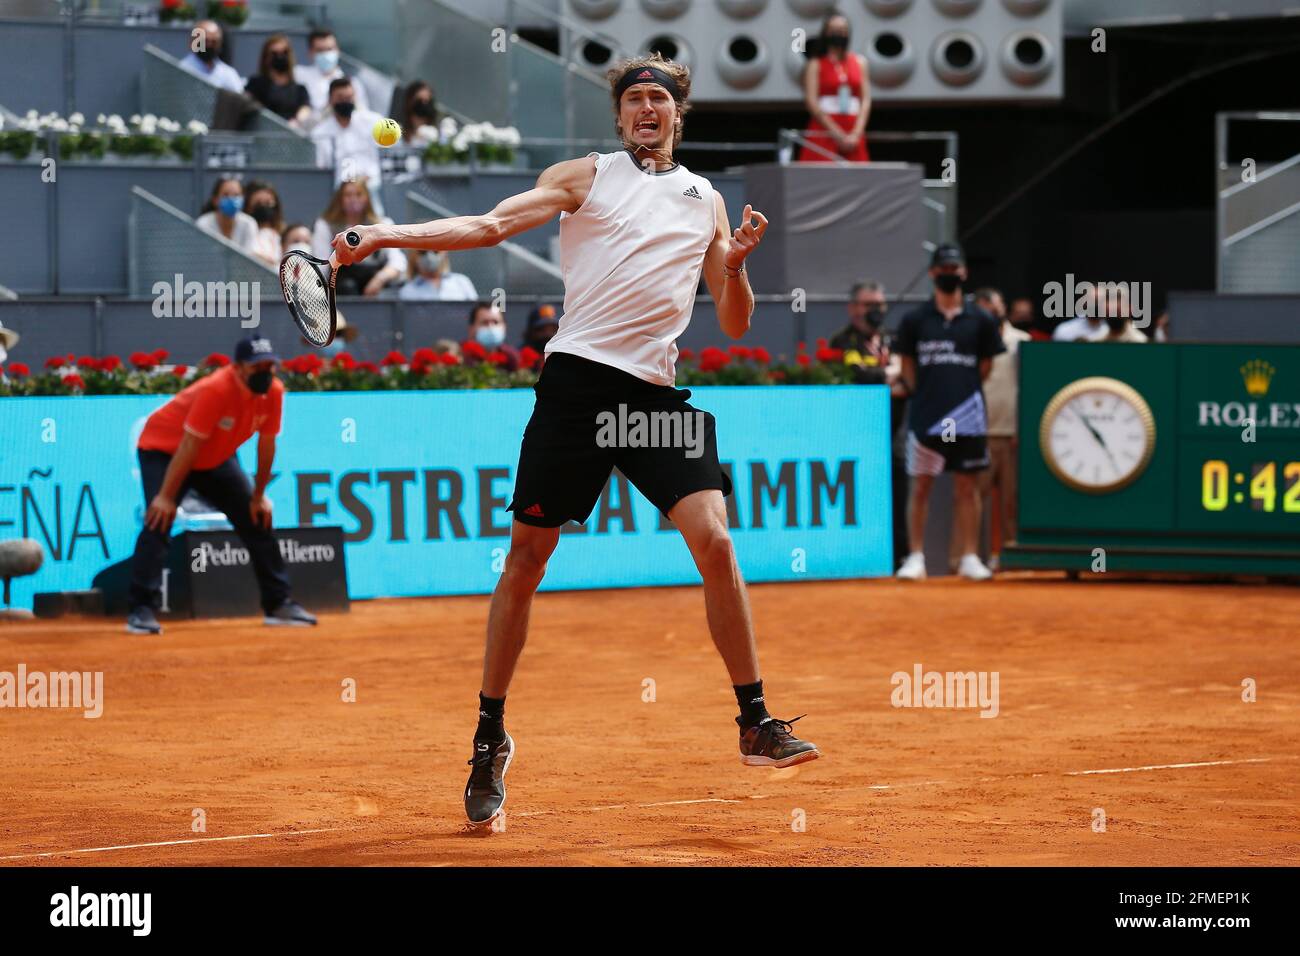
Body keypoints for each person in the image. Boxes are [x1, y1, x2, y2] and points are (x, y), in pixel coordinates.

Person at [330, 51, 819, 828]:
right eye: (635, 100)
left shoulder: (706, 200)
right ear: (621, 116)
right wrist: (386, 233)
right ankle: (490, 734)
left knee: (716, 540)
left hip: (654, 398)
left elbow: (731, 319)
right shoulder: (584, 177)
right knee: (527, 560)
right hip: (578, 390)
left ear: (678, 116)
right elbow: (489, 225)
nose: (648, 109)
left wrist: (736, 267)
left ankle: (755, 721)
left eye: (660, 98)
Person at [126, 336, 317, 635]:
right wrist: (165, 497)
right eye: (258, 367)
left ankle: (278, 604)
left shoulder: (275, 391)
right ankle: (142, 610)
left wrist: (258, 496)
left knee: (257, 518)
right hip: (165, 450)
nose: (266, 372)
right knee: (159, 518)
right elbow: (188, 445)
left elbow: (267, 445)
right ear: (239, 367)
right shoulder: (216, 389)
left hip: (215, 456)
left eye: (270, 365)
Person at [893, 243, 1005, 582]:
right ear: (932, 274)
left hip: (968, 416)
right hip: (927, 414)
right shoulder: (914, 320)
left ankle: (970, 556)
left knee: (967, 487)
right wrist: (923, 392)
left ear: (964, 272)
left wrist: (961, 392)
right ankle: (915, 557)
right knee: (921, 485)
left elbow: (985, 367)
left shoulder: (982, 320)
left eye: (955, 269)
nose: (949, 275)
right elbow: (908, 364)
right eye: (943, 270)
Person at [969, 287, 1027, 572]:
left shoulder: (1022, 342)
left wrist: (1021, 428)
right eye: (983, 310)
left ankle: (1011, 559)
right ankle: (968, 559)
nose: (990, 314)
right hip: (979, 431)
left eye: (994, 308)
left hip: (1013, 433)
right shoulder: (970, 341)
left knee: (1011, 503)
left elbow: (1028, 389)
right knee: (972, 500)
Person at [798, 11, 870, 162]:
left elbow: (865, 100)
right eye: (834, 30)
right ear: (826, 33)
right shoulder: (815, 64)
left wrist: (856, 133)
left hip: (853, 130)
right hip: (825, 129)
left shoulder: (860, 62)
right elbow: (811, 101)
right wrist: (836, 133)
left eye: (843, 30)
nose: (839, 34)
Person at [312, 180, 404, 297]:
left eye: (358, 194)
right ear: (340, 199)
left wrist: (379, 279)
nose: (353, 199)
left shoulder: (383, 223)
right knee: (347, 286)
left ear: (367, 198)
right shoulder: (325, 225)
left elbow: (397, 262)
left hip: (376, 282)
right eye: (348, 195)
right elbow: (322, 265)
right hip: (342, 285)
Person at [310, 77, 383, 194]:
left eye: (349, 98)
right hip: (337, 191)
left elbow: (386, 156)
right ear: (330, 100)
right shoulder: (320, 133)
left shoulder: (373, 122)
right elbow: (322, 167)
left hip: (372, 186)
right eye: (340, 98)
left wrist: (364, 180)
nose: (345, 102)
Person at [294, 27, 370, 115]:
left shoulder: (353, 83)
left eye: (329, 49)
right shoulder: (299, 75)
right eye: (320, 50)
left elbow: (363, 115)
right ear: (311, 52)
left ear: (337, 50)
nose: (326, 54)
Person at [245, 34, 311, 128]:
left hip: (290, 133)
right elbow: (247, 103)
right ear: (266, 57)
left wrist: (297, 121)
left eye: (284, 53)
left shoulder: (299, 89)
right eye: (274, 53)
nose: (279, 57)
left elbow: (305, 109)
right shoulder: (255, 84)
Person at [178, 20, 244, 94]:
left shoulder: (228, 73)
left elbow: (239, 98)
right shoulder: (181, 70)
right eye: (204, 41)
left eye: (213, 42)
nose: (208, 45)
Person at [196, 177, 259, 254]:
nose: (231, 199)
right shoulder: (203, 223)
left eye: (236, 195)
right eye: (226, 195)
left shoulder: (249, 224)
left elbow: (250, 258)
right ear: (215, 200)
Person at [460, 301, 520, 371]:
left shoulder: (511, 357)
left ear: (504, 327)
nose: (491, 327)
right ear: (471, 329)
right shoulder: (459, 356)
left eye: (495, 322)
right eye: (485, 323)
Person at [398, 250, 478, 301]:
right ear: (414, 256)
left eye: (435, 251)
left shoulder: (462, 282)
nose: (429, 256)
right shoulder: (407, 291)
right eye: (423, 252)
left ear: (444, 253)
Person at [244, 180, 285, 266]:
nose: (263, 207)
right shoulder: (244, 231)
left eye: (268, 203)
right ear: (248, 206)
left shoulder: (284, 233)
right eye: (258, 203)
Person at [400, 81, 440, 146]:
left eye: (428, 103)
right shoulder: (398, 135)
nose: (423, 109)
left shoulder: (432, 135)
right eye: (419, 103)